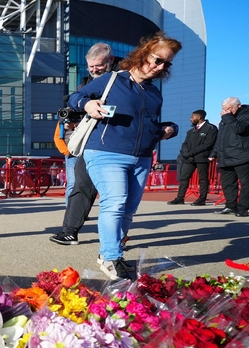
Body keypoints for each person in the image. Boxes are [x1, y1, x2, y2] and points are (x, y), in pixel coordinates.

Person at [68, 32, 181, 280]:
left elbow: (150, 124)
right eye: (157, 59)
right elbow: (76, 97)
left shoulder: (154, 92)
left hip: (141, 157)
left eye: (166, 63)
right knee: (115, 201)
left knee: (128, 209)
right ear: (144, 54)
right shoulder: (112, 79)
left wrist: (169, 128)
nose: (160, 67)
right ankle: (111, 256)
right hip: (105, 151)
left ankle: (110, 252)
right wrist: (87, 105)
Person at [50, 42, 115, 245]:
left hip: (116, 142)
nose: (95, 70)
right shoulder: (85, 84)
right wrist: (77, 114)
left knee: (115, 194)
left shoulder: (123, 78)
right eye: (91, 66)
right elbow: (74, 101)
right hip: (90, 141)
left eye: (99, 65)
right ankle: (69, 231)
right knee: (80, 186)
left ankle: (116, 238)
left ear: (110, 60)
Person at [209, 97, 249, 217]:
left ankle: (243, 208)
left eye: (229, 108)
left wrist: (227, 117)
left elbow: (239, 128)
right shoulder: (226, 117)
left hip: (243, 155)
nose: (226, 111)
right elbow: (220, 137)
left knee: (246, 184)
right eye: (224, 109)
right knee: (228, 183)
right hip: (226, 156)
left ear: (238, 106)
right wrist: (214, 153)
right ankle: (230, 206)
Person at [167, 110, 218, 206]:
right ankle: (180, 198)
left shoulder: (211, 128)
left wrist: (191, 153)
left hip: (202, 158)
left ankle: (201, 199)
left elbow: (208, 144)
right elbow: (185, 144)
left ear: (199, 117)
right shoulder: (191, 131)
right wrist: (186, 153)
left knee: (203, 178)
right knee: (184, 177)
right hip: (189, 159)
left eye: (192, 117)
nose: (190, 119)